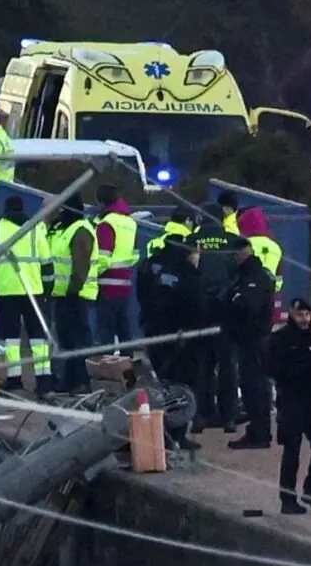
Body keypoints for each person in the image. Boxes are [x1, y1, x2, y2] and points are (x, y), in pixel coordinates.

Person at [267, 298, 311, 514]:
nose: (305, 319)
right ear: (291, 314)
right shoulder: (281, 338)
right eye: (300, 315)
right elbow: (271, 367)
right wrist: (295, 373)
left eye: (308, 315)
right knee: (292, 448)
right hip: (290, 399)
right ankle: (287, 499)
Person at [135, 234, 203, 450]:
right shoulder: (188, 275)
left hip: (157, 333)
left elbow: (144, 296)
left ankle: (163, 432)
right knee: (182, 388)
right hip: (180, 340)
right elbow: (196, 307)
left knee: (163, 384)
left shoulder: (160, 271)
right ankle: (176, 434)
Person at [0, 194, 52, 393]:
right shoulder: (35, 230)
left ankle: (15, 379)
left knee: (11, 339)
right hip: (34, 291)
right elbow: (47, 265)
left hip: (7, 293)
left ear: (5, 210)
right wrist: (46, 291)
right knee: (38, 338)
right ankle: (44, 381)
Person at [188, 202, 241, 433]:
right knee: (227, 365)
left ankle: (201, 415)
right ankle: (228, 417)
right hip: (226, 310)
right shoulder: (232, 241)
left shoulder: (192, 241)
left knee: (202, 365)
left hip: (199, 310)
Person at [224, 236, 276, 449]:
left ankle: (260, 433)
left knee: (255, 387)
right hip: (250, 338)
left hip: (254, 339)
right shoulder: (248, 275)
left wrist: (233, 298)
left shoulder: (254, 277)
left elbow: (249, 306)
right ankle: (258, 430)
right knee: (252, 386)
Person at [47, 193, 98, 393]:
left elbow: (80, 267)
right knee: (66, 340)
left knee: (80, 340)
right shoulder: (63, 229)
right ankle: (69, 380)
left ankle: (82, 381)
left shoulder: (81, 230)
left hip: (77, 295)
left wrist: (72, 291)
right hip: (63, 294)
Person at [92, 184, 138, 352]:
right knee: (124, 332)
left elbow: (103, 258)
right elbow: (134, 254)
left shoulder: (107, 223)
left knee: (106, 335)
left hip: (107, 285)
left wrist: (90, 276)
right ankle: (128, 371)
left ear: (102, 202)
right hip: (124, 284)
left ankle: (107, 373)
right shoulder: (130, 222)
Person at [239, 207, 284, 324]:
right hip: (270, 293)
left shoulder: (244, 244)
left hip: (248, 294)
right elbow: (279, 273)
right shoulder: (275, 246)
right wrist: (276, 289)